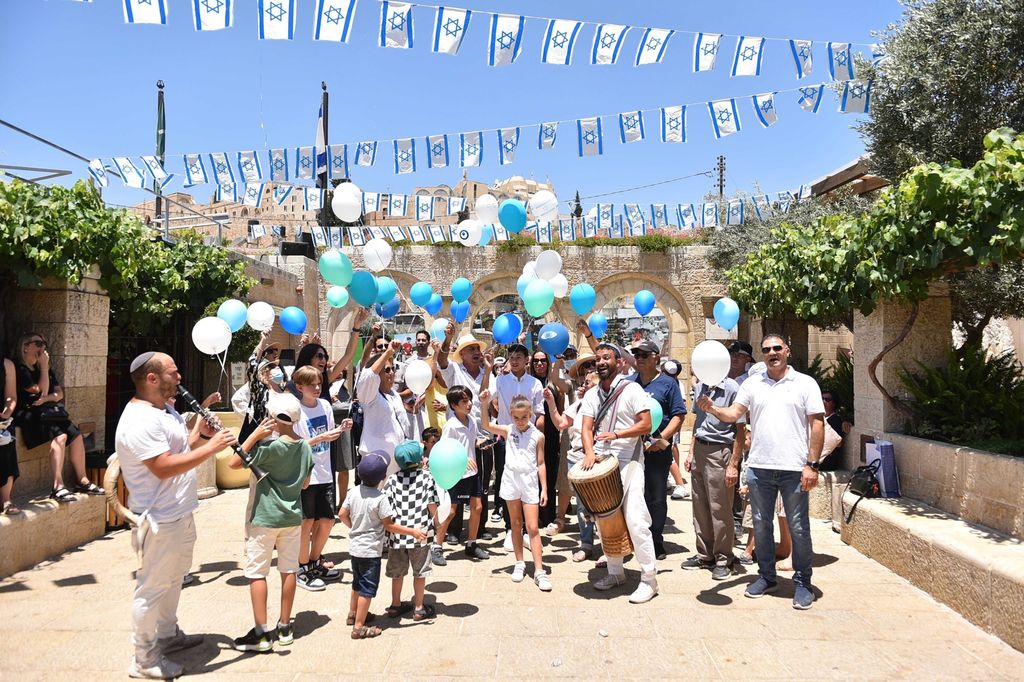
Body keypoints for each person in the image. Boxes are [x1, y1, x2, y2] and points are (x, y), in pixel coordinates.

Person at [115, 352, 235, 679]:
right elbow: (163, 467)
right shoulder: (140, 420)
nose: (180, 377)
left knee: (175, 578)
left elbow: (182, 448)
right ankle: (143, 660)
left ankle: (167, 634)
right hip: (158, 519)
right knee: (152, 588)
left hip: (180, 513)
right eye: (173, 372)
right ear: (152, 379)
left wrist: (204, 435)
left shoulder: (163, 410)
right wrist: (213, 448)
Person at [696, 333, 825, 610]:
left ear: (787, 351)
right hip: (759, 468)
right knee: (761, 525)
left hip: (793, 468)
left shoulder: (805, 383)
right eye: (767, 349)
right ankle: (767, 576)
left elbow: (817, 424)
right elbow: (735, 414)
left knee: (799, 527)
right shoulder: (753, 384)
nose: (772, 353)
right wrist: (713, 409)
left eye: (777, 348)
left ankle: (803, 582)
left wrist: (812, 465)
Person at [228, 393, 313, 652]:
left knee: (257, 573)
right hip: (291, 516)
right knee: (289, 570)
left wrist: (253, 436)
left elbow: (233, 462)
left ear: (273, 418)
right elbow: (306, 483)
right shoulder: (305, 447)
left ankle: (261, 633)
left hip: (263, 517)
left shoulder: (269, 448)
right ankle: (285, 626)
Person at [579, 343, 657, 603]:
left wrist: (617, 434)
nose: (600, 362)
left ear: (619, 361)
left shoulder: (631, 389)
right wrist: (589, 454)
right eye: (597, 358)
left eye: (606, 357)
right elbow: (586, 428)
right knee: (605, 521)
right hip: (603, 461)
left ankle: (649, 579)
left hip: (629, 460)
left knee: (635, 520)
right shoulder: (592, 394)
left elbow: (645, 424)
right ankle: (616, 573)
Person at [339, 452, 427, 640]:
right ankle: (359, 627)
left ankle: (353, 613)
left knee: (357, 583)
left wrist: (353, 526)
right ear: (382, 477)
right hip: (370, 551)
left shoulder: (353, 492)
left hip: (355, 548)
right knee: (367, 589)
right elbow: (389, 525)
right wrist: (413, 532)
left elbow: (341, 513)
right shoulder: (380, 498)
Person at [12, 332, 103, 502]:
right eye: (38, 343)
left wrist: (46, 398)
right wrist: (45, 371)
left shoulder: (43, 368)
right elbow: (40, 390)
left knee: (75, 434)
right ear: (25, 347)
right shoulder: (20, 368)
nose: (43, 347)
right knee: (60, 436)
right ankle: (57, 486)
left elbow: (58, 393)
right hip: (29, 415)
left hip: (48, 412)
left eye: (44, 343)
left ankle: (82, 480)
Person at [294, 310, 366, 511]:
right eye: (319, 356)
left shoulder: (325, 380)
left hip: (325, 443)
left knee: (326, 481)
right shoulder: (293, 385)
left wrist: (356, 327)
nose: (324, 360)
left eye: (325, 356)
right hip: (304, 444)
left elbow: (349, 356)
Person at [479, 390, 551, 591]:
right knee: (515, 524)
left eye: (525, 417)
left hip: (529, 481)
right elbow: (486, 425)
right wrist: (485, 403)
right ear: (511, 415)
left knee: (533, 527)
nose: (520, 421)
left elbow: (541, 463)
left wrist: (544, 488)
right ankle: (519, 562)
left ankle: (539, 570)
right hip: (511, 479)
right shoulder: (508, 430)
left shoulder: (538, 436)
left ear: (531, 415)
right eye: (517, 417)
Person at [291, 366, 350, 592]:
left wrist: (341, 429)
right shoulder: (295, 410)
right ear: (299, 387)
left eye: (318, 384)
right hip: (307, 474)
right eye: (311, 385)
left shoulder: (325, 405)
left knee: (326, 520)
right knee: (306, 522)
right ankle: (301, 567)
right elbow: (295, 444)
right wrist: (321, 438)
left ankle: (314, 562)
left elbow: (329, 433)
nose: (316, 388)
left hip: (325, 472)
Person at [682, 369, 745, 580]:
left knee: (720, 507)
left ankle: (723, 558)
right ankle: (705, 554)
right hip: (700, 448)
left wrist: (733, 464)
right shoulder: (699, 387)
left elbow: (740, 429)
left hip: (720, 450)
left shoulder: (733, 389)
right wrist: (691, 452)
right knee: (699, 505)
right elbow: (698, 424)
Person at [627, 340, 687, 560]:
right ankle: (634, 538)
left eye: (644, 355)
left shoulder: (667, 384)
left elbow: (679, 415)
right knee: (633, 496)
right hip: (633, 450)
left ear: (656, 358)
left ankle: (655, 540)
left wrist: (660, 439)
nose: (639, 358)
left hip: (657, 451)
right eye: (636, 355)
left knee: (657, 498)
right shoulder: (629, 383)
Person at [435, 324, 493, 537]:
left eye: (478, 349)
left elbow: (487, 397)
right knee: (456, 483)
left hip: (480, 434)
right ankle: (453, 529)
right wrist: (448, 339)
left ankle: (480, 528)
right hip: (458, 436)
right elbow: (441, 360)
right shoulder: (454, 370)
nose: (477, 353)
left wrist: (488, 371)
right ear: (462, 354)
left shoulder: (487, 372)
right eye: (471, 350)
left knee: (481, 483)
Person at [489, 343, 544, 553]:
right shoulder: (500, 380)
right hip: (507, 438)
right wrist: (488, 370)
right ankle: (510, 529)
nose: (514, 360)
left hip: (529, 439)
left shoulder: (535, 384)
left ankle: (530, 531)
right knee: (507, 482)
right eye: (511, 356)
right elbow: (486, 396)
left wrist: (538, 436)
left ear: (526, 360)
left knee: (528, 483)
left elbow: (539, 414)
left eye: (519, 356)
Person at [544, 368, 600, 562]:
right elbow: (560, 423)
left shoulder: (605, 405)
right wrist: (551, 402)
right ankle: (586, 543)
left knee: (601, 504)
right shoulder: (578, 406)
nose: (584, 386)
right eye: (584, 382)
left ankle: (610, 543)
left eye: (589, 383)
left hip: (599, 460)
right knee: (582, 506)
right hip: (575, 460)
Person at [383, 440, 439, 622]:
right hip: (420, 533)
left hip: (397, 534)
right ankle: (418, 607)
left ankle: (395, 604)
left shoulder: (391, 480)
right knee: (420, 571)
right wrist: (436, 523)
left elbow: (386, 507)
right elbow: (432, 504)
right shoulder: (427, 477)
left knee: (397, 572)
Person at [436, 385, 490, 561]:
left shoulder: (472, 421)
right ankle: (436, 546)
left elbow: (471, 441)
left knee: (478, 508)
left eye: (469, 400)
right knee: (450, 512)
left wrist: (481, 443)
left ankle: (471, 544)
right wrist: (462, 458)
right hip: (455, 475)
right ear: (453, 405)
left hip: (472, 474)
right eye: (464, 401)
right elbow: (444, 449)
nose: (469, 404)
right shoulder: (451, 426)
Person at [356, 339, 408, 469]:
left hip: (397, 458)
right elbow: (368, 376)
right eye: (386, 370)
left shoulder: (395, 395)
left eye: (393, 368)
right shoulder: (370, 396)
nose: (391, 373)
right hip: (377, 460)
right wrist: (388, 352)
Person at [530, 349, 565, 531]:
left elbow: (559, 412)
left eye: (543, 360)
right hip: (529, 434)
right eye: (536, 361)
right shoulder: (527, 383)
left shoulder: (555, 386)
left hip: (550, 435)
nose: (539, 364)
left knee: (549, 477)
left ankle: (549, 515)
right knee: (531, 477)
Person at [1, 357, 20, 515]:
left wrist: (5, 414)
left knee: (6, 438)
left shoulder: (7, 365)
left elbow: (11, 397)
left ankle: (6, 499)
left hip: (1, 418)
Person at [819, 390, 847, 471]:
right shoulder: (819, 418)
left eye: (827, 399)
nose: (823, 401)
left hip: (827, 461)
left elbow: (838, 443)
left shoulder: (835, 420)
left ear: (834, 404)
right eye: (821, 399)